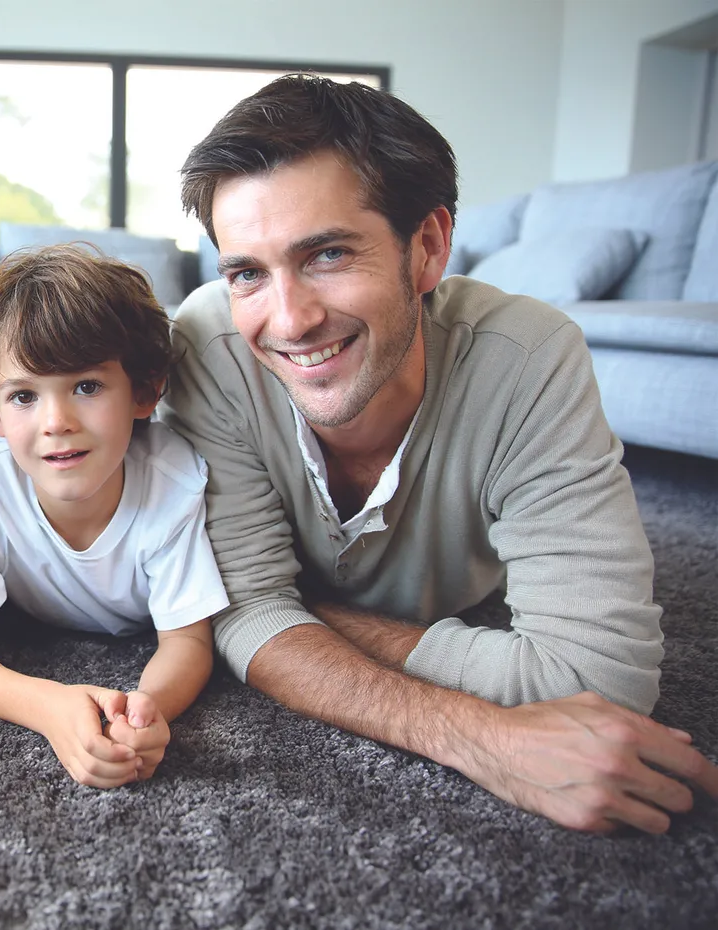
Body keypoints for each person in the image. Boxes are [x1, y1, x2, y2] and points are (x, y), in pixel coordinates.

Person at [161, 74, 718, 832]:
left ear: (426, 248)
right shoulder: (208, 344)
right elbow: (248, 610)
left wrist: (305, 619)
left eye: (327, 254)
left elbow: (598, 683)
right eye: (248, 273)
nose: (288, 319)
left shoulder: (530, 358)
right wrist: (476, 735)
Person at [0, 245, 227, 788]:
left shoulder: (174, 479)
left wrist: (141, 713)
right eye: (23, 396)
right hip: (32, 629)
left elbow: (187, 640)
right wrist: (49, 706)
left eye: (86, 387)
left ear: (145, 391)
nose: (56, 421)